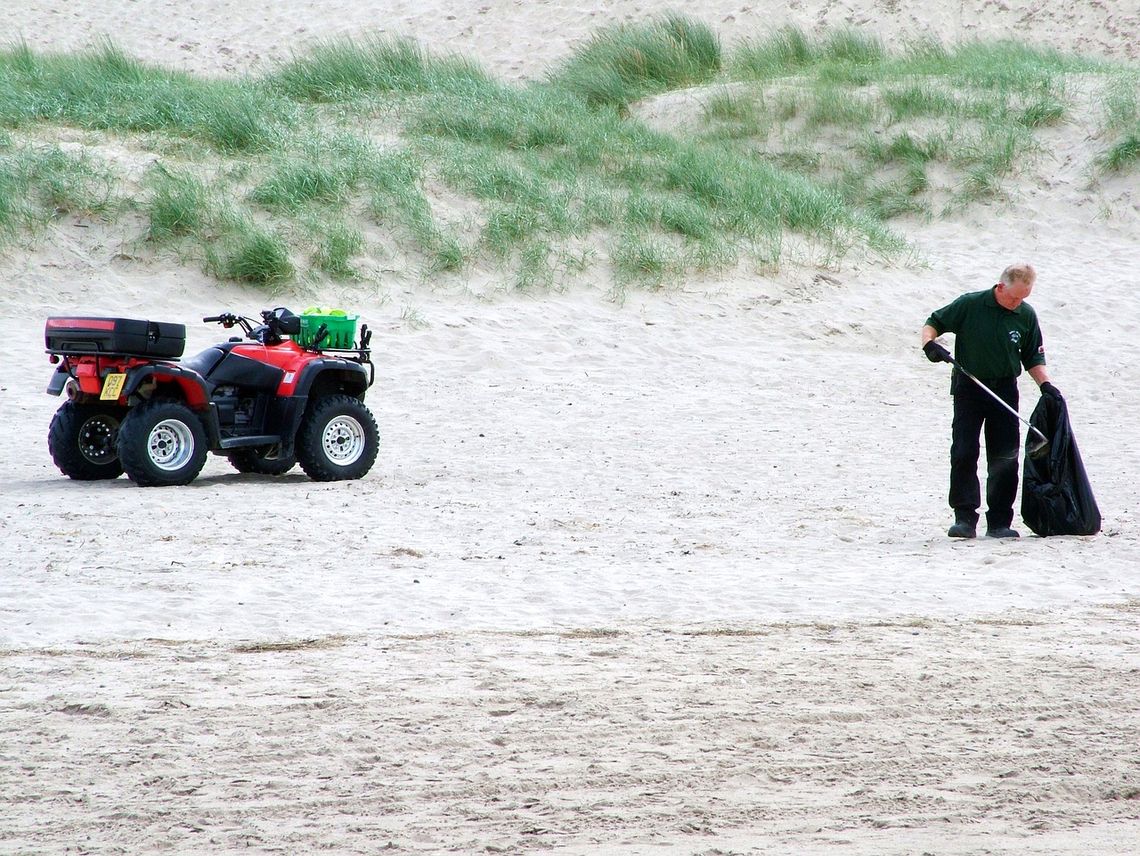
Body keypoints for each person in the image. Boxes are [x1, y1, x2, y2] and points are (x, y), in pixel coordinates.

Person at [921, 263, 1062, 539]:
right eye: (1013, 297)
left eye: (1024, 297)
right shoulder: (970, 304)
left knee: (1005, 457)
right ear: (1000, 287)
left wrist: (1047, 386)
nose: (1017, 303)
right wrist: (930, 345)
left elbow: (1033, 356)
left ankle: (999, 522)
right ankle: (964, 518)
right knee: (964, 451)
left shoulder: (1025, 315)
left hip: (1005, 389)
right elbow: (933, 323)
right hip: (969, 387)